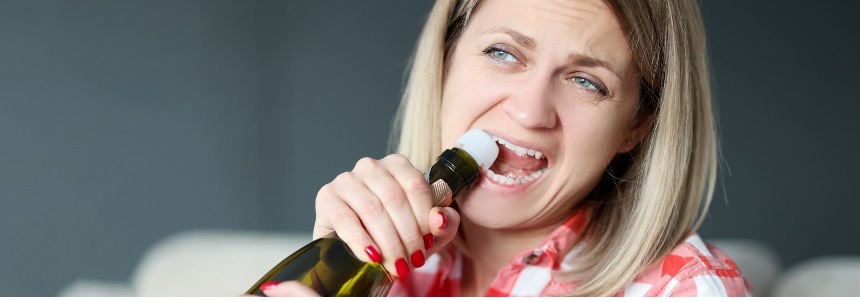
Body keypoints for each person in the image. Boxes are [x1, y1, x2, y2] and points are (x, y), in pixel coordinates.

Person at [261, 0, 751, 297]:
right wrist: (329, 267)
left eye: (587, 81)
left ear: (637, 125)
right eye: (503, 52)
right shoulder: (388, 266)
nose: (531, 111)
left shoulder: (685, 292)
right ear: (445, 60)